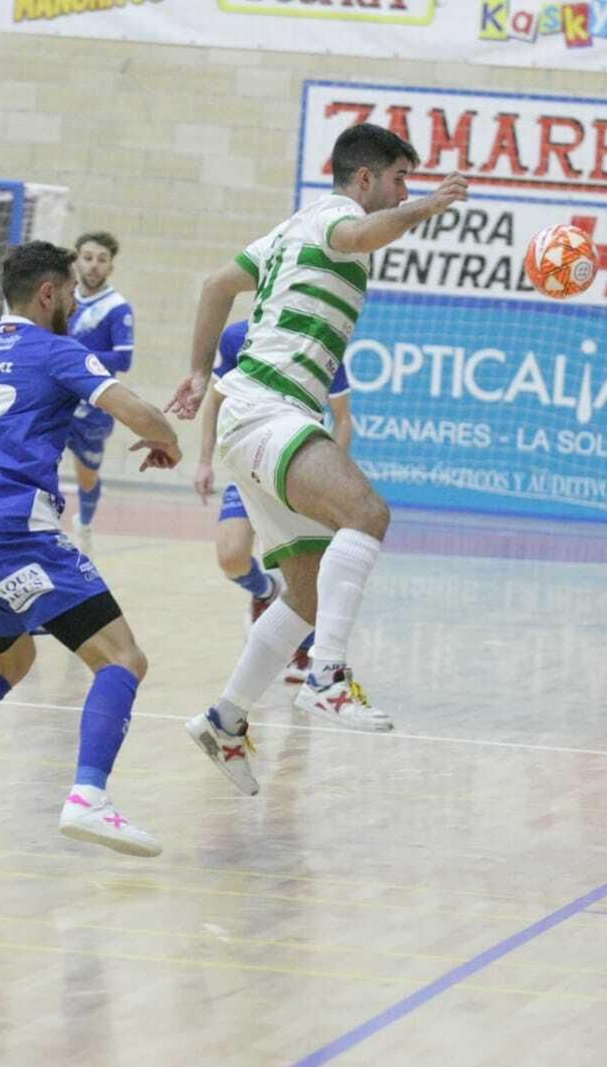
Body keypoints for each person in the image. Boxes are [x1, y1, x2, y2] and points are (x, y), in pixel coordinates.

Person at [167, 123, 469, 794]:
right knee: (366, 510)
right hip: (269, 408)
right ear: (364, 180)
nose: (403, 194)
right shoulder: (337, 214)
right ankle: (327, 673)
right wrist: (428, 207)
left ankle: (225, 718)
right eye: (397, 182)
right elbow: (362, 235)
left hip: (259, 413)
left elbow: (218, 284)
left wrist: (196, 370)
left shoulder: (288, 229)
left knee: (303, 592)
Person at [0, 240, 181, 857]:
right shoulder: (56, 351)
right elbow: (139, 413)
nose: (76, 302)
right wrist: (169, 442)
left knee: (12, 661)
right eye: (72, 292)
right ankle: (89, 799)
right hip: (18, 534)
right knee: (122, 659)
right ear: (48, 293)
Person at [191, 320, 352, 686]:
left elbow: (342, 418)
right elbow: (215, 401)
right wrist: (203, 460)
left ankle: (305, 652)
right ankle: (265, 592)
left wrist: (333, 473)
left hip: (300, 464)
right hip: (249, 459)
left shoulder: (325, 340)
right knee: (230, 557)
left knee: (307, 571)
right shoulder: (237, 336)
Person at [61, 231, 134, 553]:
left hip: (93, 403)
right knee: (36, 459)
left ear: (111, 268)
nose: (93, 265)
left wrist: (75, 356)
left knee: (87, 475)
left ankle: (85, 524)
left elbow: (123, 358)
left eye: (101, 260)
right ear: (77, 260)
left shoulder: (117, 308)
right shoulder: (60, 298)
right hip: (55, 395)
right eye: (88, 258)